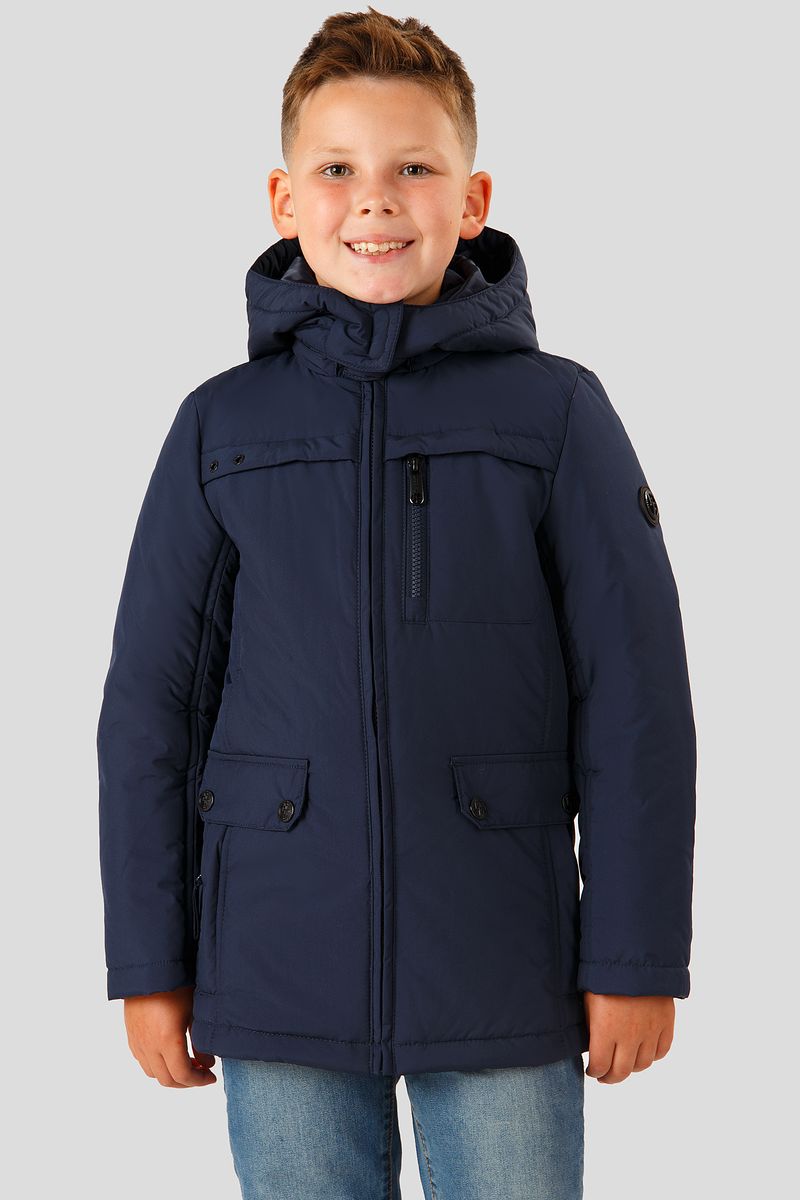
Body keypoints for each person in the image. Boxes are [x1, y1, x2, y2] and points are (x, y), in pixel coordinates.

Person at [97, 7, 697, 1198]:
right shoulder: (219, 426)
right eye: (336, 170)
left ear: (471, 200)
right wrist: (148, 962)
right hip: (276, 956)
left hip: (499, 956)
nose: (373, 200)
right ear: (283, 200)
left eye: (413, 169)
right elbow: (150, 709)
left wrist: (634, 957)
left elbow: (634, 696)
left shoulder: (554, 414)